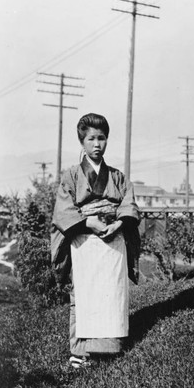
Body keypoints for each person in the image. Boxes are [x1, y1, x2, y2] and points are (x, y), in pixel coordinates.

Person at [51, 113, 141, 369]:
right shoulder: (71, 176)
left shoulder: (118, 177)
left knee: (111, 292)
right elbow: (63, 211)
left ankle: (109, 348)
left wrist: (118, 223)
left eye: (102, 138)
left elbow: (129, 203)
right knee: (83, 293)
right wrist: (89, 221)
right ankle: (79, 352)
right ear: (82, 142)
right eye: (91, 138)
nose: (97, 144)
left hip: (112, 240)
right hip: (83, 240)